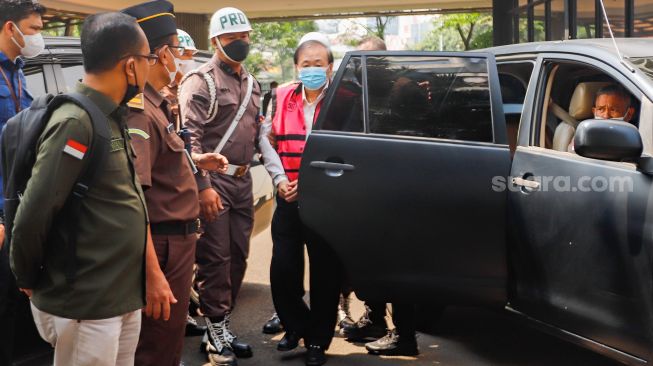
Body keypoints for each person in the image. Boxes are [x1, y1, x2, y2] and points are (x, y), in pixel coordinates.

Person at [10, 11, 177, 366]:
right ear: (130, 66)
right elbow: (35, 213)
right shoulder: (76, 122)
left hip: (120, 297)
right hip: (87, 304)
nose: (152, 67)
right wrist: (26, 276)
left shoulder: (111, 115)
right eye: (148, 59)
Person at [120, 2, 229, 365]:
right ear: (162, 53)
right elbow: (134, 198)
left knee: (167, 341)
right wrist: (152, 272)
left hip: (175, 243)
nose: (183, 60)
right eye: (179, 52)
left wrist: (195, 161)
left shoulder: (158, 104)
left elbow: (160, 164)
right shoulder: (140, 110)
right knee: (156, 345)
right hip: (162, 246)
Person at [178, 6, 260, 364]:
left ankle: (222, 325)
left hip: (243, 182)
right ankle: (214, 331)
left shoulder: (252, 83)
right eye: (231, 38)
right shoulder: (201, 81)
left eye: (243, 36)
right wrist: (203, 185)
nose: (239, 43)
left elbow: (259, 134)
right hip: (215, 182)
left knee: (239, 257)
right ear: (215, 41)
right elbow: (188, 141)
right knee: (215, 259)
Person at [259, 32, 343, 366]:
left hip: (327, 202)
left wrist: (314, 184)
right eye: (305, 64)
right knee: (283, 268)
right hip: (288, 196)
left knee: (325, 274)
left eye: (318, 64)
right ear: (296, 67)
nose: (311, 69)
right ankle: (296, 326)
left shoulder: (344, 98)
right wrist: (280, 179)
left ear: (330, 67)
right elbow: (266, 140)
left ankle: (317, 343)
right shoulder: (280, 96)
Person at [0, 1, 45, 363]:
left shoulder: (18, 70)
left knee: (20, 299)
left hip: (22, 206)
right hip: (1, 213)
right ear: (9, 27)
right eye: (33, 29)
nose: (38, 37)